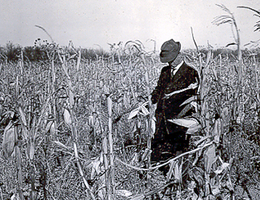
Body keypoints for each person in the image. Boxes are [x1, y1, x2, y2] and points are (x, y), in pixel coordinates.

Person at [151, 39, 199, 175]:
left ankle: (178, 177)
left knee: (178, 150)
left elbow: (194, 97)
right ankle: (161, 172)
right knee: (160, 145)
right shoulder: (165, 71)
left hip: (179, 118)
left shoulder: (191, 73)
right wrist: (151, 99)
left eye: (171, 59)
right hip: (162, 117)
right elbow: (159, 89)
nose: (169, 62)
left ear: (179, 55)